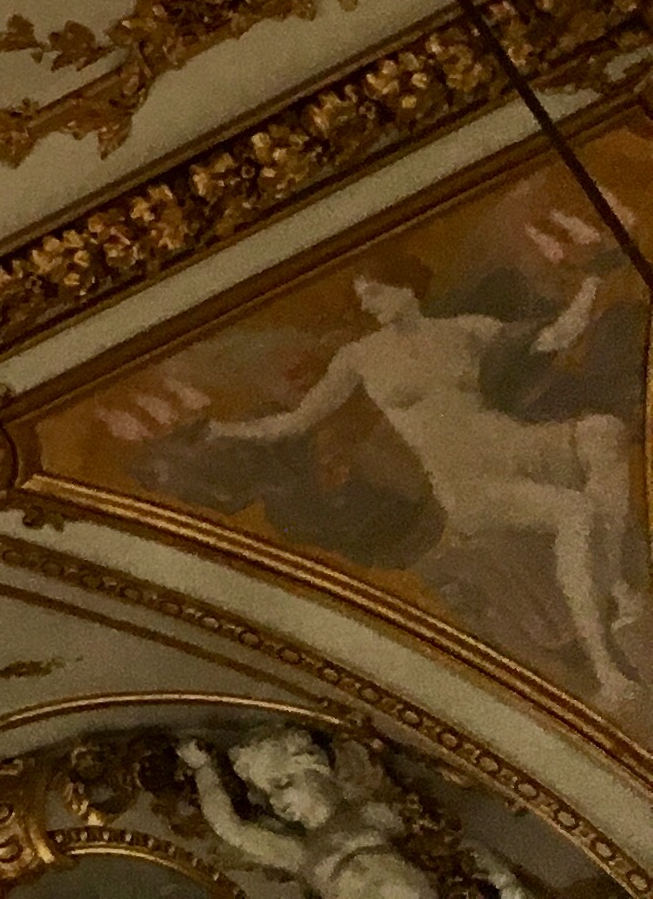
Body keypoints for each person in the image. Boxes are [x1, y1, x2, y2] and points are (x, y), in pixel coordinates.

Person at [201, 268, 641, 705]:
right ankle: (605, 667)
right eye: (364, 300)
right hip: (468, 479)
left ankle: (615, 579)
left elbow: (557, 338)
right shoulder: (360, 356)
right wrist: (228, 431)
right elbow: (298, 420)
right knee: (574, 511)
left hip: (510, 442)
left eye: (375, 291)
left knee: (604, 431)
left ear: (407, 288)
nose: (370, 305)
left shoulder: (465, 329)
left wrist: (590, 285)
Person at [176, 725, 527, 899]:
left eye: (282, 784)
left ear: (315, 769)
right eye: (269, 797)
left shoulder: (375, 811)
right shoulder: (301, 853)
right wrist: (204, 769)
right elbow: (233, 829)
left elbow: (456, 849)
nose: (278, 804)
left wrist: (505, 883)